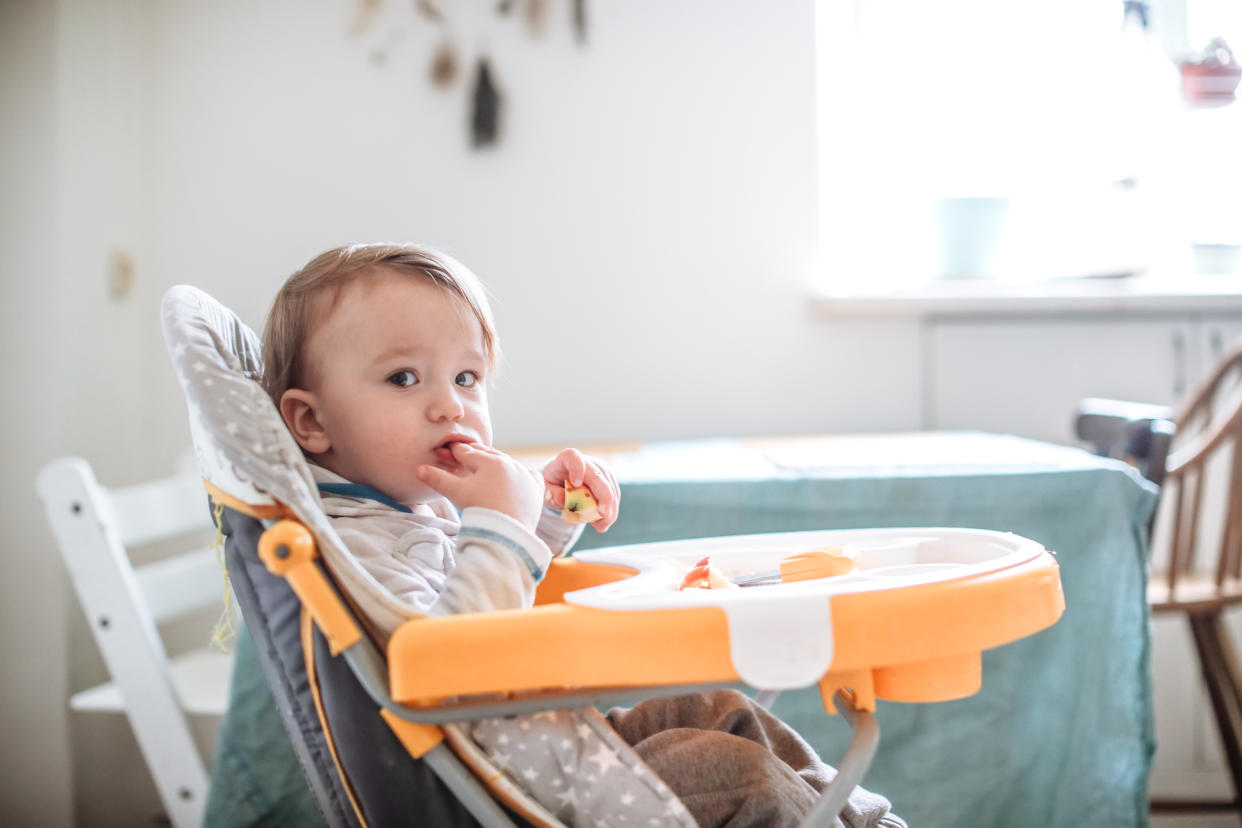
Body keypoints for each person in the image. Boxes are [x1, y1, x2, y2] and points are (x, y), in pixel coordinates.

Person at [261, 242, 904, 828]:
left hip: (550, 750)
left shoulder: (403, 511)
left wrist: (543, 515)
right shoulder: (351, 546)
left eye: (467, 378)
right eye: (404, 378)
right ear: (312, 422)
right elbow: (450, 663)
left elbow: (491, 591)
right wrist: (499, 524)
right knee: (738, 775)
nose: (451, 405)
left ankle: (861, 821)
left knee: (716, 707)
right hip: (516, 791)